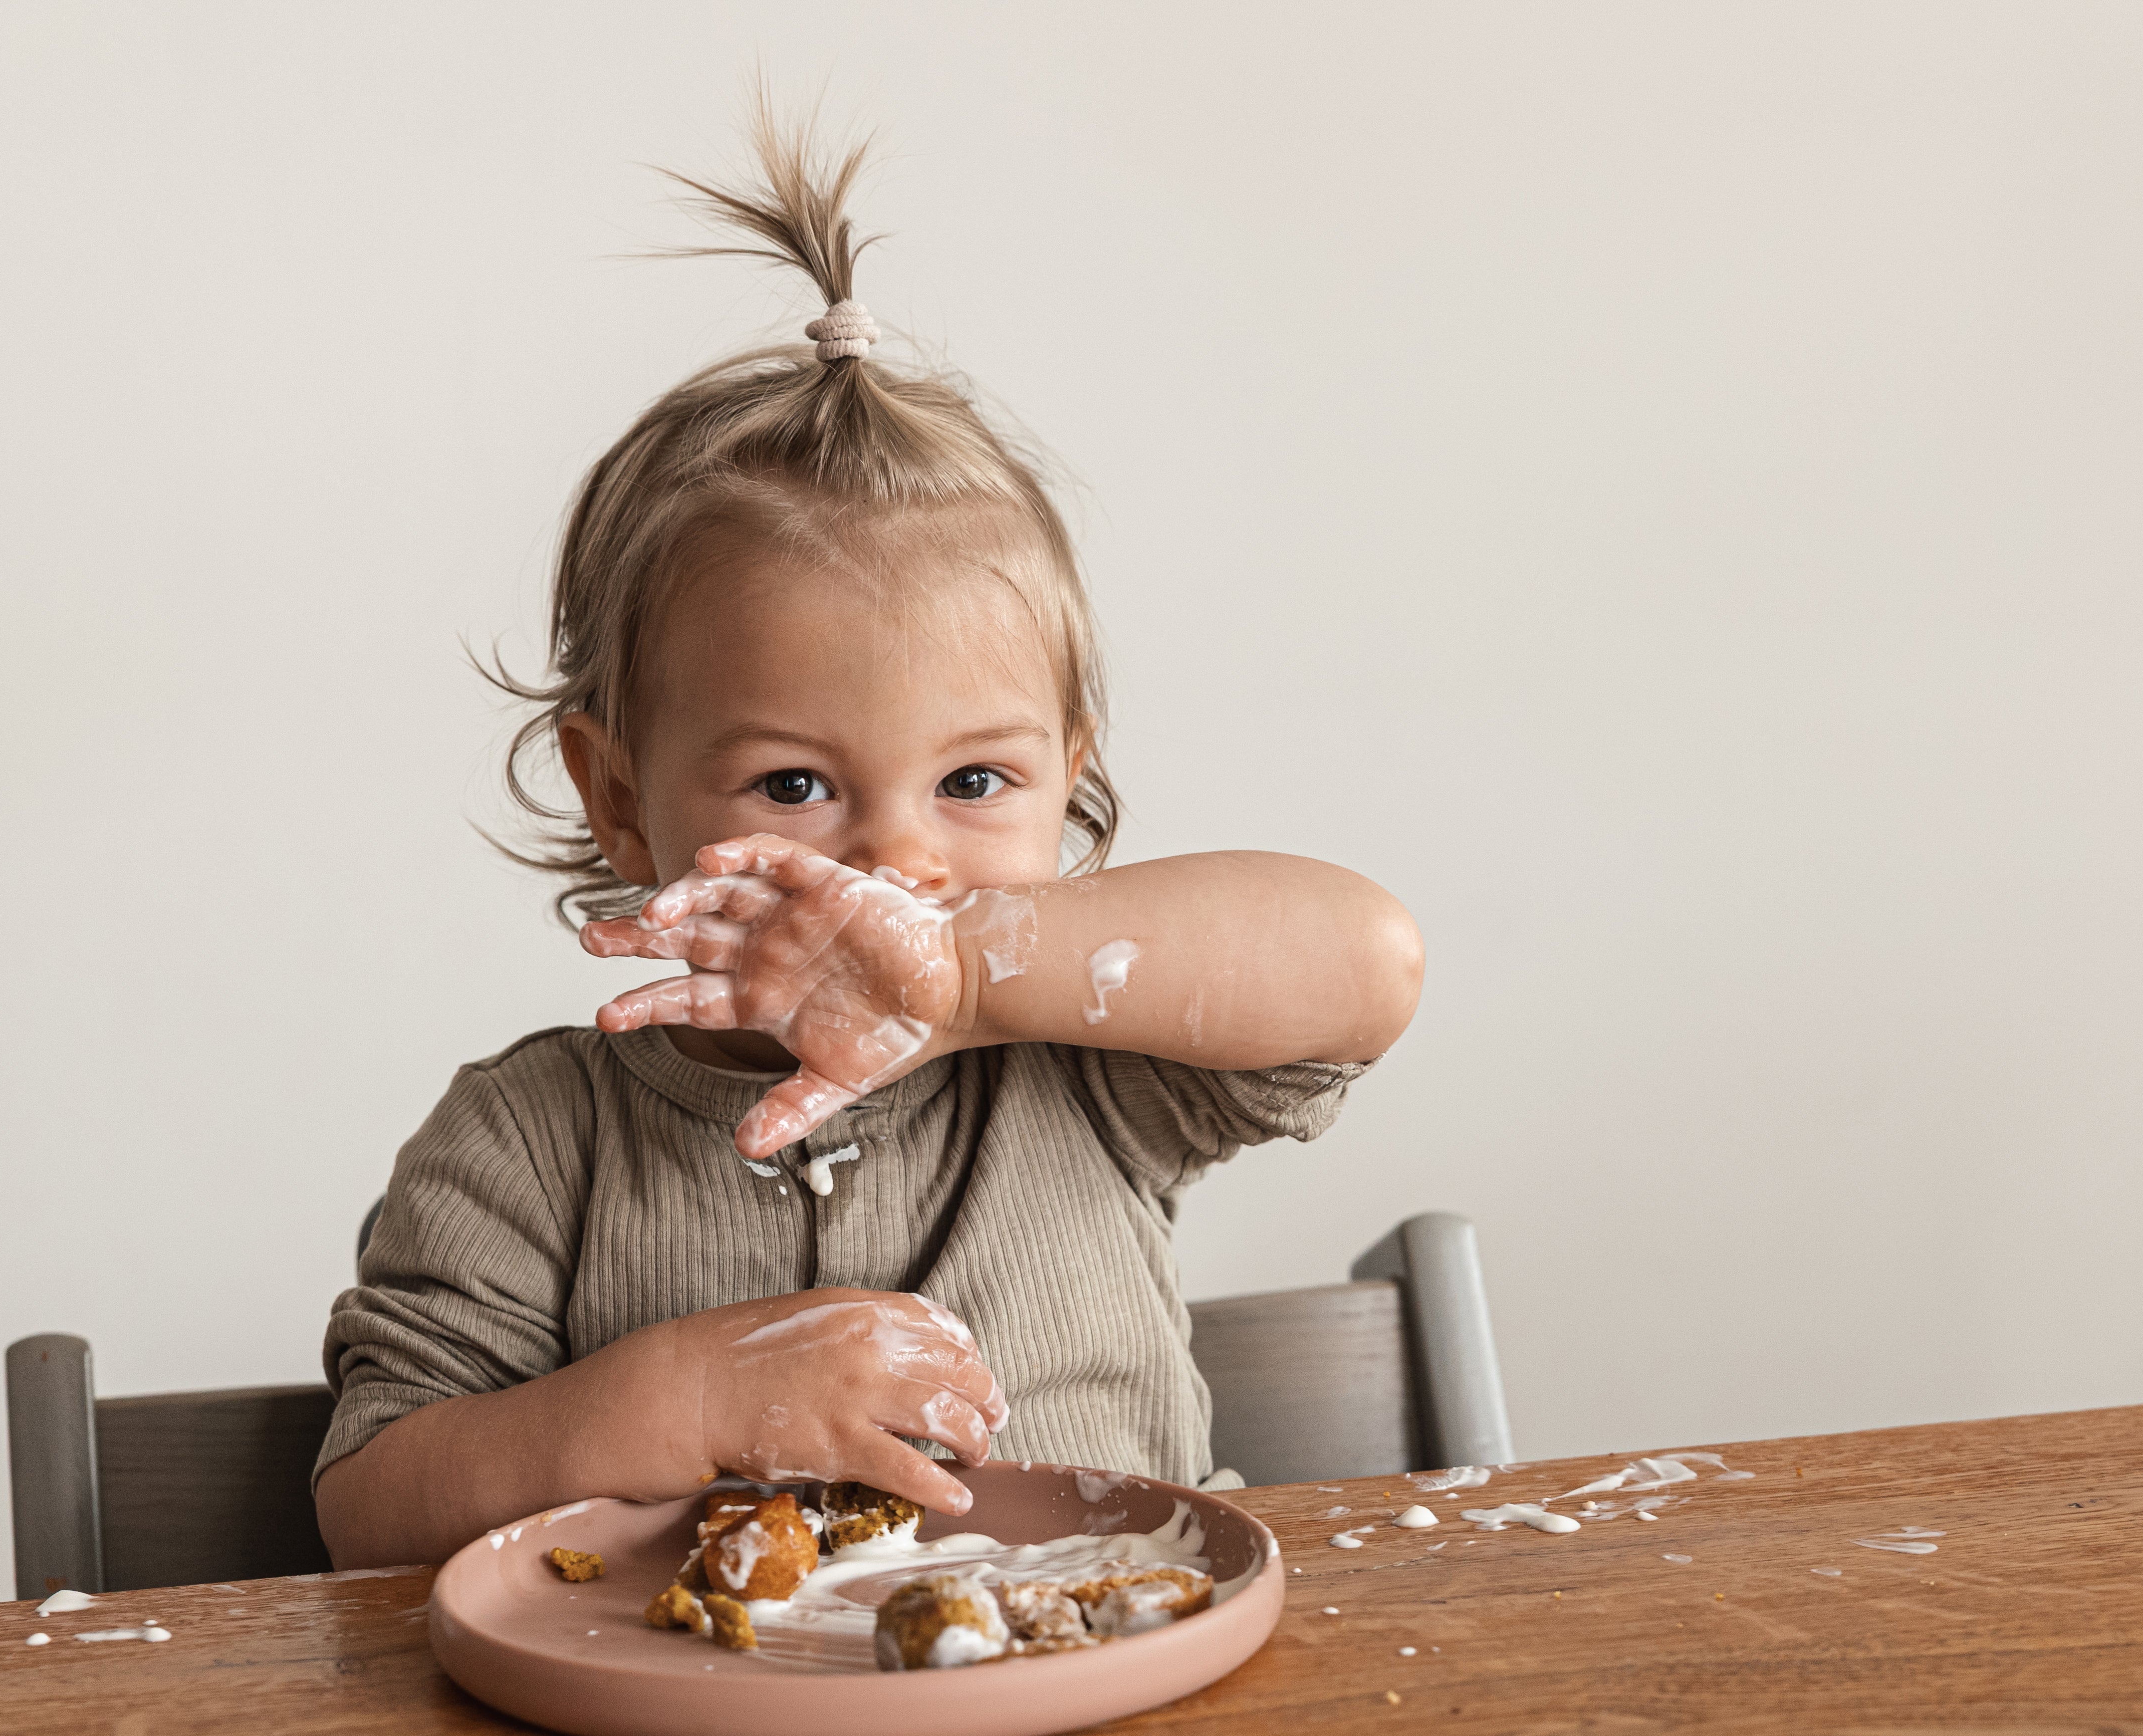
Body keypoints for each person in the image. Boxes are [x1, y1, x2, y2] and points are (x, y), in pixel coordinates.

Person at [313, 107, 1424, 1569]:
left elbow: (1367, 965)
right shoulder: (530, 1145)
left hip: (1106, 1716)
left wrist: (979, 979)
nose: (901, 861)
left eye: (975, 783)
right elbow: (366, 1511)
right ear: (621, 796)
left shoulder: (1087, 1075)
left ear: (1068, 774)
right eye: (793, 787)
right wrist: (678, 1398)